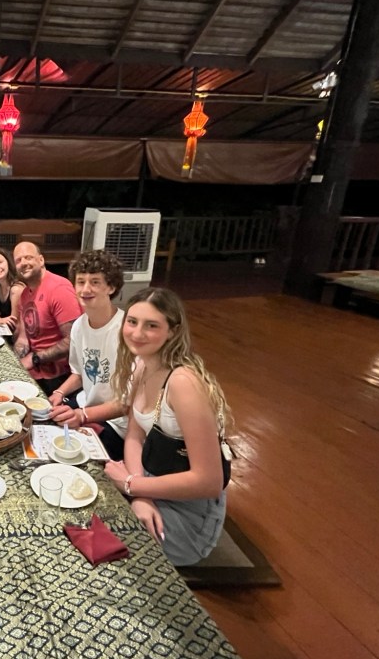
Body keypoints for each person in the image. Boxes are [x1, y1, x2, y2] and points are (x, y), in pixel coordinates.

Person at [103, 287, 232, 566]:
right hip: (151, 479)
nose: (137, 333)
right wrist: (139, 492)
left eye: (151, 326)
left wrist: (132, 485)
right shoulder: (143, 366)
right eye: (132, 321)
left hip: (191, 510)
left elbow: (209, 481)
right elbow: (134, 436)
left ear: (172, 331)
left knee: (109, 548)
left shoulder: (184, 383)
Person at [46, 250, 128, 460]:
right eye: (81, 282)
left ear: (111, 287)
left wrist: (82, 415)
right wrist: (59, 392)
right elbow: (80, 373)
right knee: (42, 423)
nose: (85, 289)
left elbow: (127, 403)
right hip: (85, 404)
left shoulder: (126, 330)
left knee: (72, 455)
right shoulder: (79, 326)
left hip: (117, 423)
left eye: (95, 282)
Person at [12, 241, 83, 395]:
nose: (23, 263)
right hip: (36, 370)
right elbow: (23, 339)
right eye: (18, 260)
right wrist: (14, 362)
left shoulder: (59, 288)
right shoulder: (25, 295)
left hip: (59, 378)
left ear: (41, 260)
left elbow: (73, 341)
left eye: (28, 257)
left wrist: (35, 358)